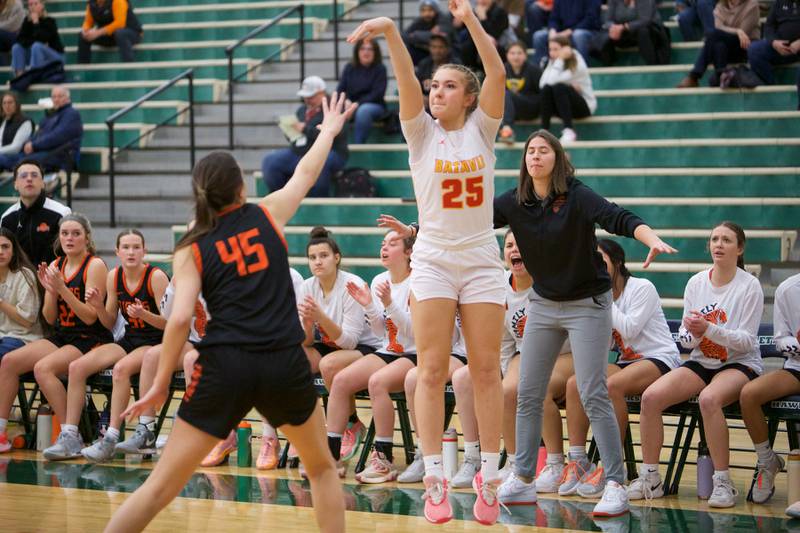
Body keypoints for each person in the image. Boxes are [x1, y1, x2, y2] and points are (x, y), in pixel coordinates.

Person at [104, 93, 356, 533]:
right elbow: (305, 173)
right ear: (241, 188)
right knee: (320, 471)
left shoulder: (191, 247)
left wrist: (161, 382)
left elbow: (180, 321)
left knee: (160, 488)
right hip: (283, 360)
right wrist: (329, 131)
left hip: (225, 365)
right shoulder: (268, 214)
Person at [348, 0, 508, 524]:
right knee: (431, 369)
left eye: (447, 86)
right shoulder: (420, 134)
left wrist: (469, 22)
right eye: (433, 85)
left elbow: (497, 70)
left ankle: (488, 475)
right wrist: (393, 33)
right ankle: (435, 474)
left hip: (483, 260)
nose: (436, 92)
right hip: (435, 260)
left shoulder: (483, 129)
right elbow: (405, 81)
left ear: (467, 97)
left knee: (485, 370)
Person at [492, 129, 676, 517]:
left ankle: (615, 483)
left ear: (557, 159)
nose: (536, 156)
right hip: (543, 300)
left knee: (593, 390)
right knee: (527, 390)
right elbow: (468, 223)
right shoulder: (514, 201)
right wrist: (416, 232)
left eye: (544, 150)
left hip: (588, 302)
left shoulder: (576, 195)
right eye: (530, 151)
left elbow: (617, 217)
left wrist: (650, 237)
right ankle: (523, 477)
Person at [629, 221, 763, 509]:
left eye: (726, 240)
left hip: (739, 363)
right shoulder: (696, 283)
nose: (718, 244)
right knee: (651, 397)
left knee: (709, 399)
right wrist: (691, 334)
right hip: (701, 361)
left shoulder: (749, 285)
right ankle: (650, 476)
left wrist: (709, 330)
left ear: (739, 249)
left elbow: (747, 342)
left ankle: (723, 482)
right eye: (714, 239)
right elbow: (687, 340)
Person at [558, 239, 681, 498]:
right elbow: (603, 345)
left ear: (617, 262)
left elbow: (629, 328)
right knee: (575, 382)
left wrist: (600, 298)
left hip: (659, 359)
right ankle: (579, 460)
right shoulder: (600, 298)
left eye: (600, 259)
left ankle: (612, 467)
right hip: (627, 363)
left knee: (612, 385)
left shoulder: (642, 288)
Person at [0, 214, 111, 457]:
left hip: (90, 337)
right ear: (58, 238)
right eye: (65, 234)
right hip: (63, 334)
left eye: (76, 233)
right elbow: (50, 318)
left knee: (43, 368)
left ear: (87, 238)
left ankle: (71, 436)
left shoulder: (95, 265)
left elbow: (91, 317)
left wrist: (62, 289)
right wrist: (51, 291)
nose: (69, 238)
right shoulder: (56, 265)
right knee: (9, 362)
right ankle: (1, 433)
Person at [60, 230, 169, 462]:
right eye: (126, 247)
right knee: (77, 367)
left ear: (144, 251)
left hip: (155, 341)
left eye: (136, 247)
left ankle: (110, 437)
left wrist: (144, 314)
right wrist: (99, 306)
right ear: (117, 252)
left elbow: (170, 324)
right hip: (129, 339)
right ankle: (70, 435)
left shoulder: (156, 277)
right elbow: (109, 322)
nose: (131, 252)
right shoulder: (113, 276)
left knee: (121, 369)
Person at [320, 229, 415, 482]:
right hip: (388, 349)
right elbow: (378, 332)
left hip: (415, 353)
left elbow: (415, 333)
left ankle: (383, 458)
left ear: (408, 252)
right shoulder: (379, 281)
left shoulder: (418, 281)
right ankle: (332, 458)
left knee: (377, 382)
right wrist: (370, 306)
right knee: (340, 381)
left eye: (393, 243)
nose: (384, 247)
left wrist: (388, 303)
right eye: (383, 243)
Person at [296, 227, 382, 469]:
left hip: (365, 348)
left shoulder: (350, 285)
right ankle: (305, 433)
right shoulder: (307, 287)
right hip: (329, 345)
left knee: (329, 364)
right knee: (290, 360)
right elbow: (306, 342)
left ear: (337, 257)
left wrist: (320, 317)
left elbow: (350, 341)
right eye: (312, 258)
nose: (317, 262)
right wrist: (307, 323)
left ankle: (349, 424)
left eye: (323, 255)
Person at [737, 272, 800, 504]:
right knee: (749, 394)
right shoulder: (788, 289)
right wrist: (787, 343)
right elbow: (781, 336)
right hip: (796, 367)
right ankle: (767, 461)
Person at [261, 76, 349, 198]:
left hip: (330, 151)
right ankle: (283, 198)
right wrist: (290, 132)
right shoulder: (302, 110)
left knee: (321, 162)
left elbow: (333, 134)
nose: (307, 100)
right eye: (305, 97)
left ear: (322, 93)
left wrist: (305, 129)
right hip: (301, 151)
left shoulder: (333, 110)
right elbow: (297, 138)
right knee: (270, 161)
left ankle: (317, 203)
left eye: (311, 96)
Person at [0, 227, 42, 452]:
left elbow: (27, 321)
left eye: (5, 246)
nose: (0, 252)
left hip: (24, 339)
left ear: (14, 250)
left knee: (3, 356)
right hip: (3, 337)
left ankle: (0, 432)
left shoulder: (25, 275)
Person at [1, 160, 70, 269]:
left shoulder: (61, 213)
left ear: (43, 183)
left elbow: (70, 255)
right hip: (19, 283)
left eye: (34, 175)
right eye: (23, 176)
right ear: (15, 184)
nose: (29, 179)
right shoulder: (7, 218)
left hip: (52, 282)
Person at [0, 85, 83, 173]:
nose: (56, 99)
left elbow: (57, 136)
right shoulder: (50, 116)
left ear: (68, 98)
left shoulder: (72, 114)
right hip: (41, 153)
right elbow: (38, 133)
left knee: (24, 163)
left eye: (60, 96)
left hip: (59, 156)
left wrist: (34, 145)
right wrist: (29, 142)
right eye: (54, 97)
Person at [677, 0, 759, 87]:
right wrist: (737, 31)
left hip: (744, 47)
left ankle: (694, 76)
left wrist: (736, 31)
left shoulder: (752, 5)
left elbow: (744, 32)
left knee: (713, 35)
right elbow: (718, 27)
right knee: (718, 45)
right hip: (727, 48)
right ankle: (720, 76)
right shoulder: (721, 5)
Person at [538, 35, 596, 143]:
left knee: (559, 87)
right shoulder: (553, 62)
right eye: (550, 49)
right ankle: (544, 131)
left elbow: (552, 81)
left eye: (556, 49)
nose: (552, 53)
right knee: (547, 89)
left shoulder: (577, 62)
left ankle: (569, 130)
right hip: (563, 107)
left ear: (566, 49)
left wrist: (559, 60)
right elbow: (543, 85)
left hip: (584, 107)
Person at [337, 39, 388, 144]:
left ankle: (358, 146)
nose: (366, 52)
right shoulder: (349, 68)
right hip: (350, 105)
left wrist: (356, 105)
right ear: (357, 51)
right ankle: (337, 146)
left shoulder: (380, 69)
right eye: (362, 49)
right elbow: (340, 90)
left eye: (370, 49)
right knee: (336, 110)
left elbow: (378, 94)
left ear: (375, 52)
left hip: (374, 106)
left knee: (363, 111)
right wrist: (346, 101)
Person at [530, 0, 602, 67]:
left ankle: (581, 67)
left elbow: (590, 19)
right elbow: (554, 18)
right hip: (563, 32)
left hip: (588, 32)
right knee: (539, 36)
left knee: (578, 35)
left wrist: (569, 31)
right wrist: (553, 30)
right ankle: (540, 67)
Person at [599, 0, 670, 66]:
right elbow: (607, 20)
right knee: (606, 34)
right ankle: (610, 66)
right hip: (624, 32)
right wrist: (613, 27)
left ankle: (652, 64)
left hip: (650, 31)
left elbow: (645, 20)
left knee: (643, 32)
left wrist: (624, 27)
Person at [747, 0, 800, 87]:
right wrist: (773, 42)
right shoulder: (779, 2)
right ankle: (771, 86)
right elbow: (769, 26)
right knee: (754, 49)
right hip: (780, 47)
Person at [498, 42, 542, 144]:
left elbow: (543, 95)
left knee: (506, 94)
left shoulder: (534, 70)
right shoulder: (502, 70)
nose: (516, 56)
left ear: (525, 55)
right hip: (512, 109)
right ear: (507, 55)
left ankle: (507, 128)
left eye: (519, 53)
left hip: (531, 107)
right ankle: (506, 128)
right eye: (512, 53)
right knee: (504, 95)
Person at [78, 0, 142, 64]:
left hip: (131, 33)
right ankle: (83, 69)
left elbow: (120, 24)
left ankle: (129, 66)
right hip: (110, 35)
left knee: (120, 33)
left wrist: (97, 32)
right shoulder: (92, 3)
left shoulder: (118, 1)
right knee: (83, 35)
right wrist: (85, 30)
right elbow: (88, 22)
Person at [11, 0, 64, 77]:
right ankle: (20, 76)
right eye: (30, 5)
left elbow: (42, 39)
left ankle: (34, 75)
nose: (33, 7)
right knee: (16, 47)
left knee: (37, 46)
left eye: (35, 4)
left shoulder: (50, 21)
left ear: (42, 5)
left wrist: (36, 23)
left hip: (55, 57)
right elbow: (20, 40)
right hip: (36, 55)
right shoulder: (27, 22)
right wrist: (33, 41)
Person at [456, 0, 508, 73]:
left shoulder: (500, 12)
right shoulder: (473, 12)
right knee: (466, 47)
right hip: (475, 46)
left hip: (497, 44)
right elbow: (468, 32)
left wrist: (483, 18)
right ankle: (470, 73)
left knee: (490, 43)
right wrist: (458, 23)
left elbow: (494, 35)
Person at [403, 0, 456, 65]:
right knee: (408, 52)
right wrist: (421, 34)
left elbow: (440, 37)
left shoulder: (443, 18)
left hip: (449, 54)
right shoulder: (420, 20)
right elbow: (404, 36)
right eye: (423, 10)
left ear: (436, 10)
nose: (427, 13)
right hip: (428, 54)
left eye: (430, 10)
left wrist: (415, 35)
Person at [415, 34, 459, 110]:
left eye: (441, 47)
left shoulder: (456, 65)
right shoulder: (424, 64)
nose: (437, 51)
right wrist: (420, 96)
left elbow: (458, 89)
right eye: (434, 47)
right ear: (429, 48)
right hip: (427, 107)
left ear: (447, 49)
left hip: (449, 105)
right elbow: (415, 86)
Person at [0, 91, 33, 157]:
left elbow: (16, 148)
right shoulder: (4, 121)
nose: (7, 106)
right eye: (4, 103)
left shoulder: (25, 122)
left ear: (16, 105)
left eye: (10, 102)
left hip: (17, 157)